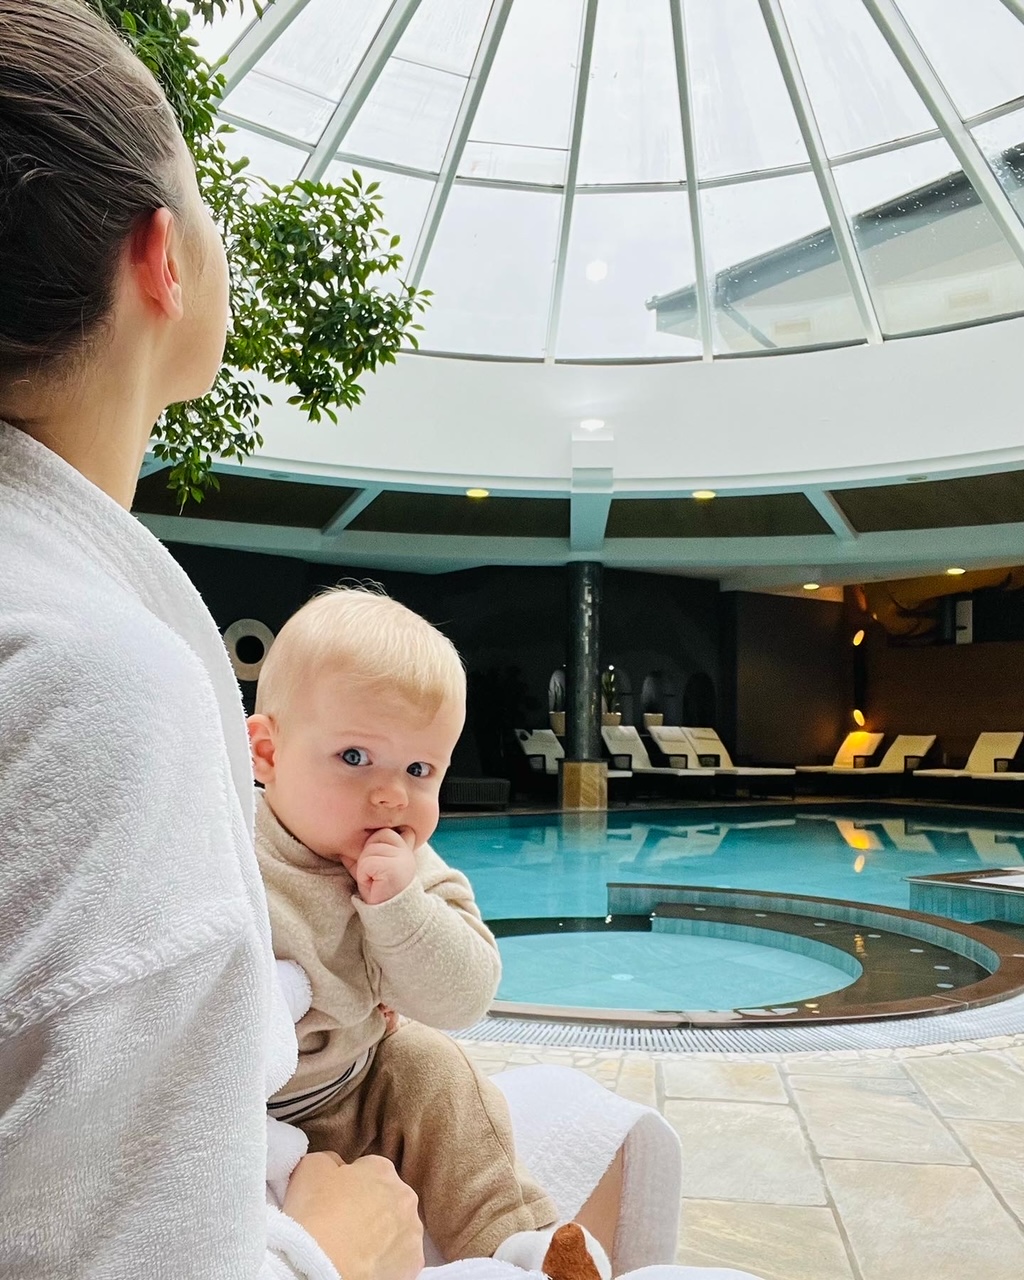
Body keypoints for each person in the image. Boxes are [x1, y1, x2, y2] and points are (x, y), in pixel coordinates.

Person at [0, 3, 767, 1278]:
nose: (391, 792)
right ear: (161, 258)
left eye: (415, 765)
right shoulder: (94, 678)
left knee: (462, 1085)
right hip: (289, 1197)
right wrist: (329, 1250)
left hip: (345, 1102)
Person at [248, 587, 607, 1277]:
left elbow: (465, 997)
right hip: (248, 1114)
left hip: (361, 1086)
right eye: (355, 757)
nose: (391, 794)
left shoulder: (415, 870)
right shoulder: (230, 849)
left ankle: (516, 1241)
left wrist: (400, 907)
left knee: (436, 1068)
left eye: (419, 770)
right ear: (266, 753)